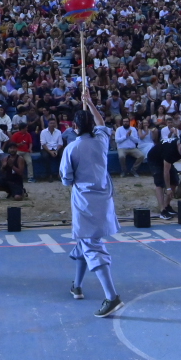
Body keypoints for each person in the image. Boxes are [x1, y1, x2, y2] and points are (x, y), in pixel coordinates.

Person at [62, 85, 121, 316]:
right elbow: (103, 125)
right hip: (104, 200)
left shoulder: (72, 148)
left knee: (91, 245)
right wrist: (90, 102)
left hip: (85, 203)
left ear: (75, 127)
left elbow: (66, 180)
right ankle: (77, 286)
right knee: (84, 244)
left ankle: (111, 297)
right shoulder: (101, 142)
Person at [148, 132, 181, 218]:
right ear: (179, 145)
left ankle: (167, 206)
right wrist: (168, 188)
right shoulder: (170, 150)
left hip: (166, 160)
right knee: (159, 183)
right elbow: (166, 172)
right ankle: (162, 210)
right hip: (155, 159)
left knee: (175, 180)